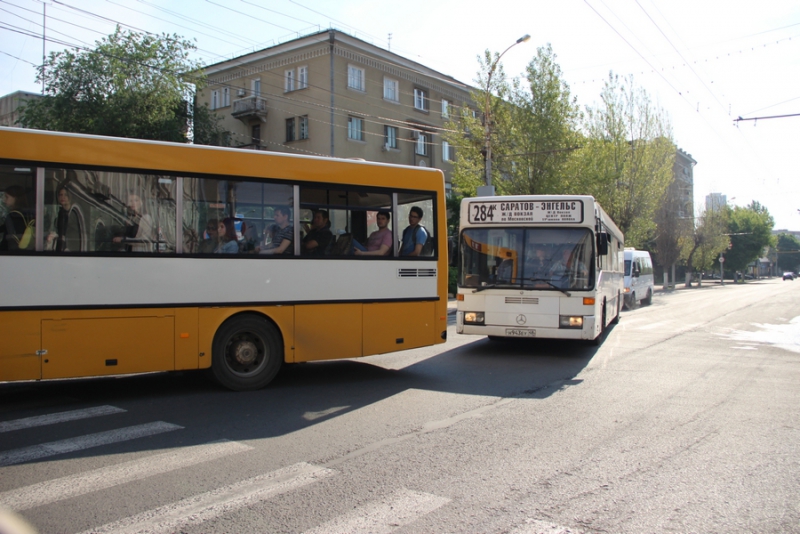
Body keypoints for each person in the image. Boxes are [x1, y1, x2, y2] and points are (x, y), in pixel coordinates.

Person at [0, 185, 32, 251]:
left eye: (6, 197)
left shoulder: (13, 215)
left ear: (15, 198)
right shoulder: (28, 214)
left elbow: (9, 236)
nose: (4, 200)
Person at [46, 184, 75, 251]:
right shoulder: (60, 212)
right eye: (60, 195)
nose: (63, 197)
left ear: (70, 196)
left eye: (65, 195)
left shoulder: (73, 213)